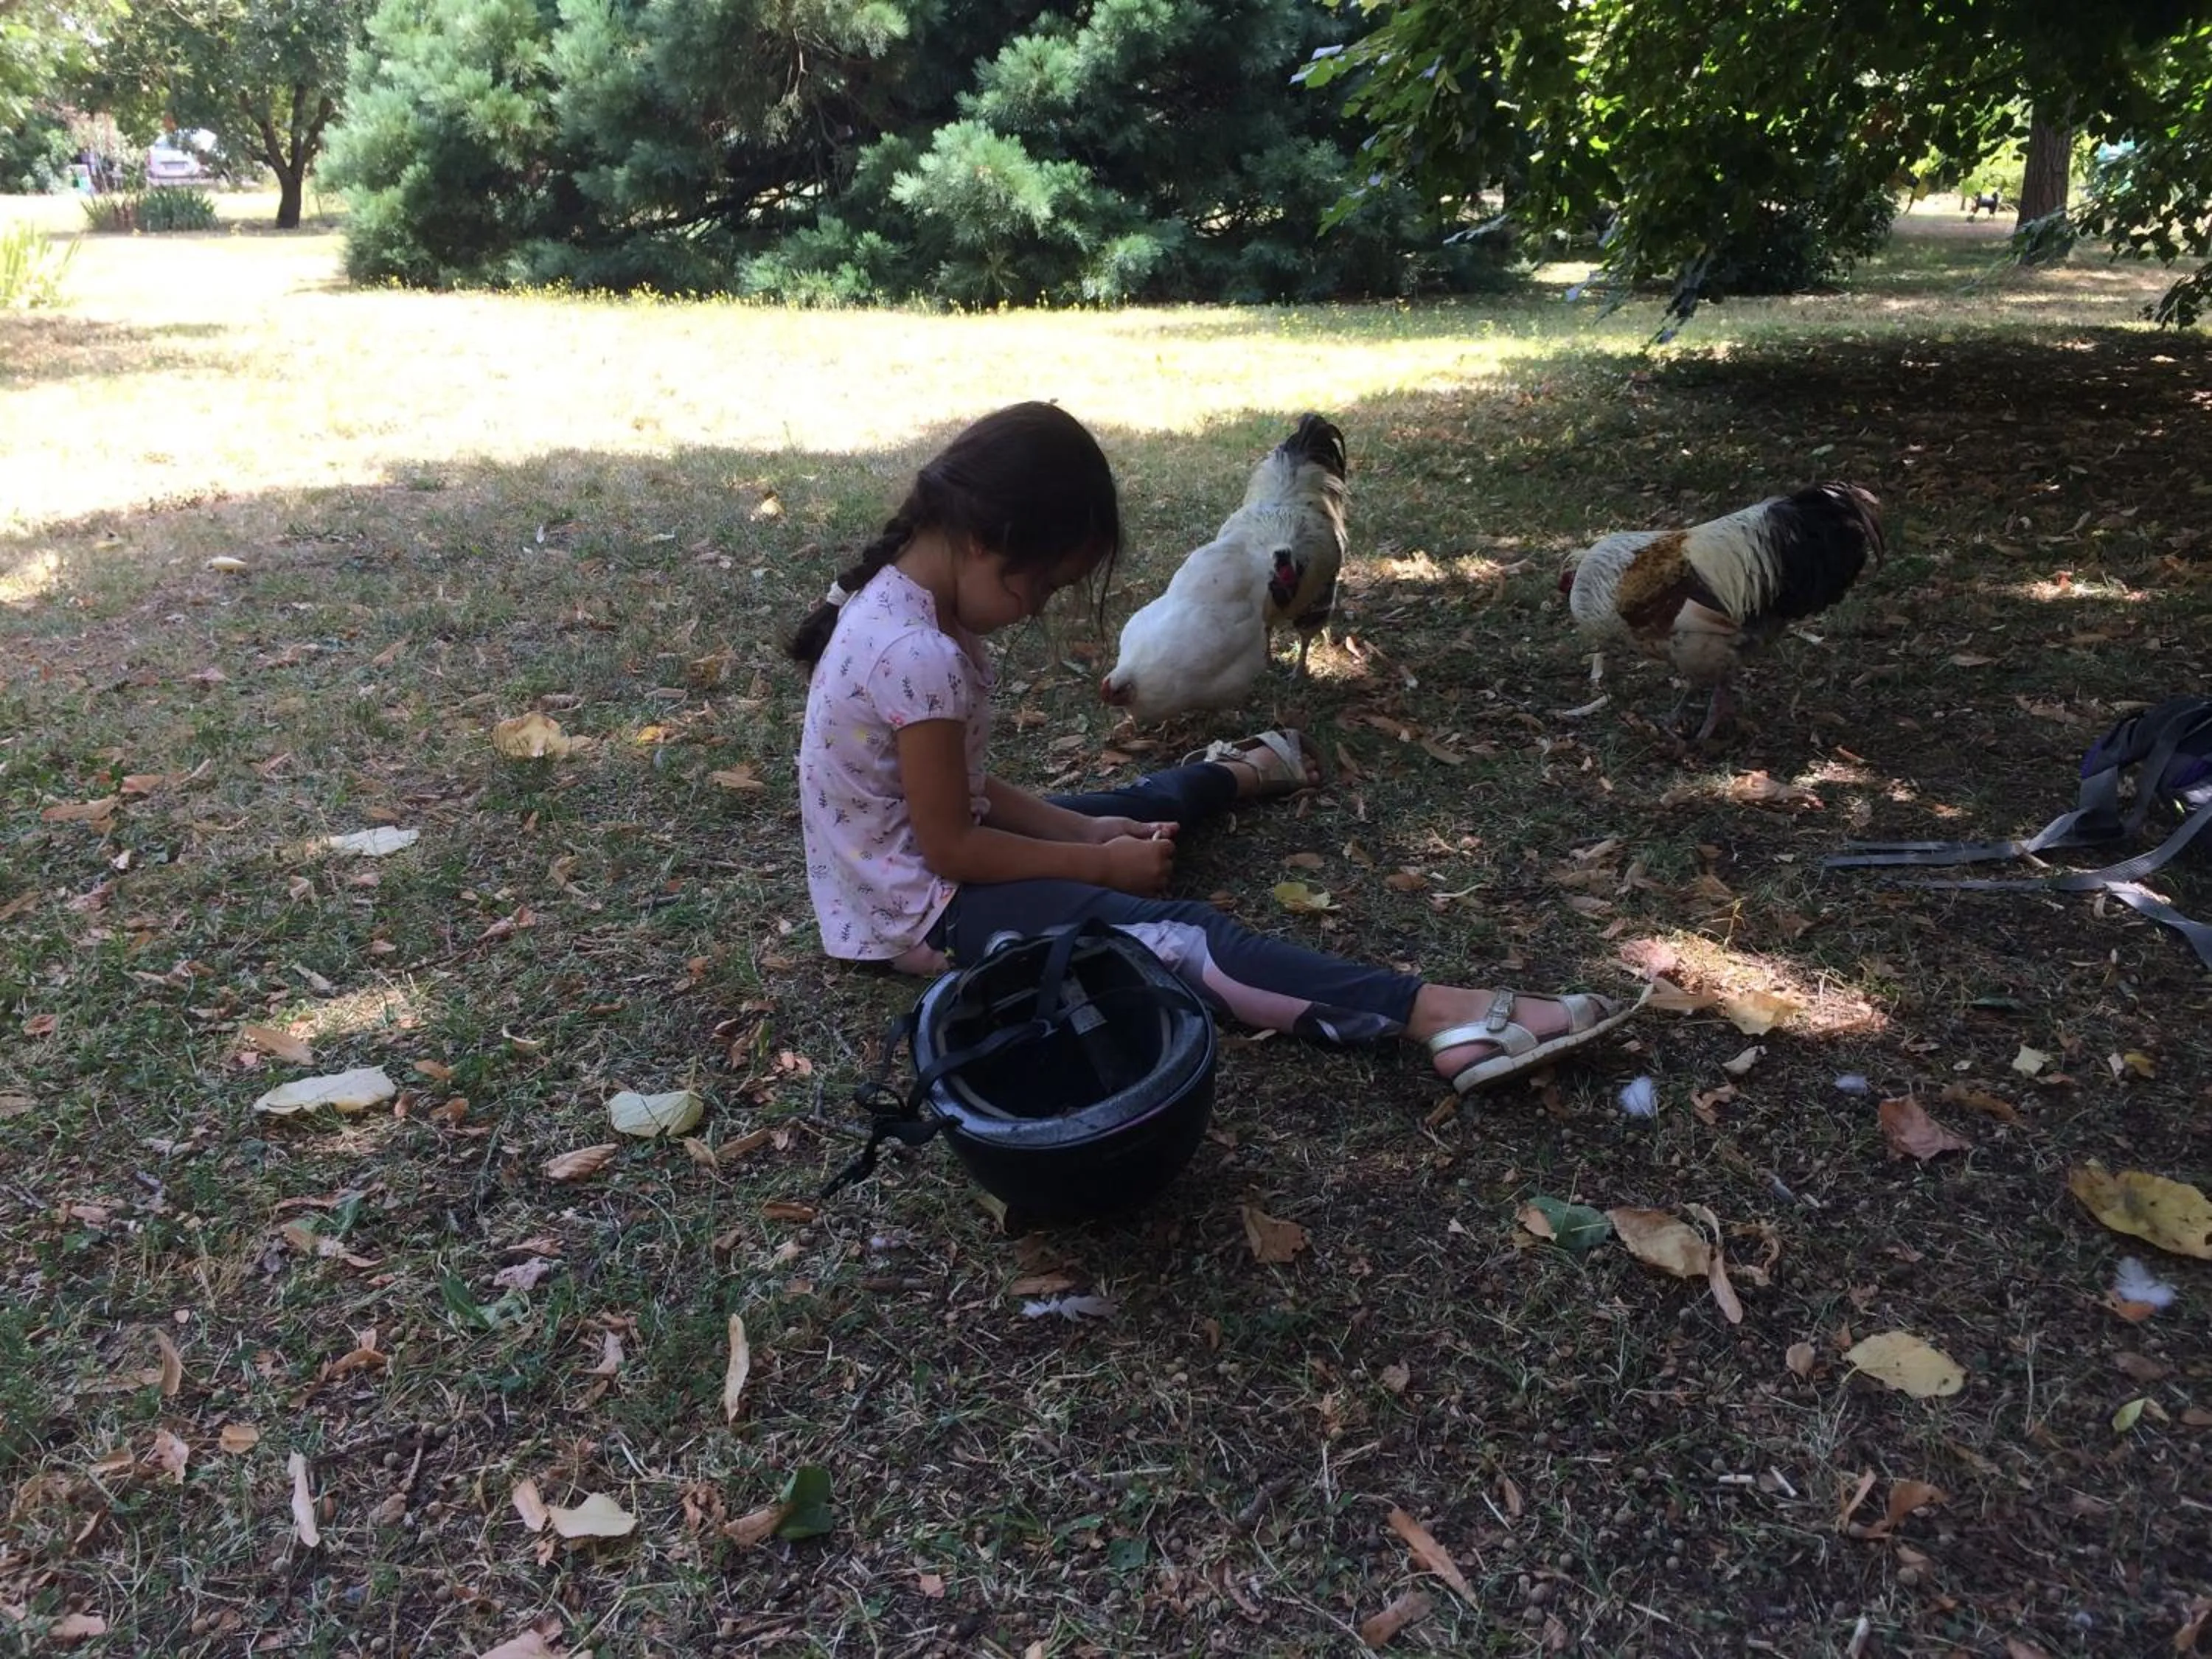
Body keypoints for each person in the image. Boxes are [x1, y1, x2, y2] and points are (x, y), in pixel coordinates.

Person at [787, 402, 1646, 1095]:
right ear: (985, 540)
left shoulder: (901, 602)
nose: (1037, 607)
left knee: (1122, 811)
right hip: (923, 915)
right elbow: (953, 846)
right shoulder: (919, 654)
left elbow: (962, 794)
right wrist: (1099, 869)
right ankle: (1441, 1017)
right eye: (1042, 584)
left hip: (912, 873)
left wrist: (1087, 835)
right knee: (1178, 935)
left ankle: (1238, 772)